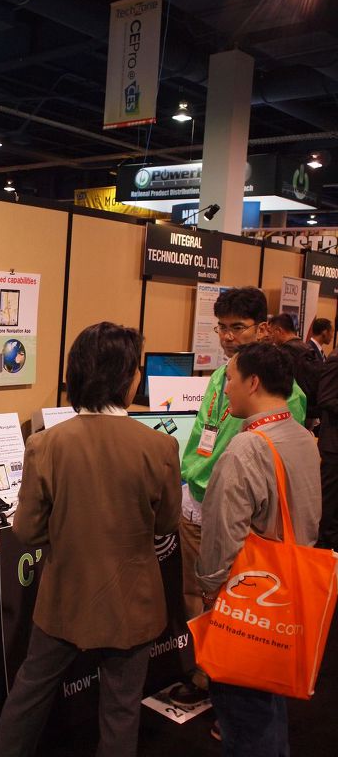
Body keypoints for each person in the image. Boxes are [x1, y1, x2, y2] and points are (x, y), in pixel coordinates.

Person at [0, 322, 181, 757]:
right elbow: (166, 524)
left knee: (29, 694)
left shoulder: (46, 444)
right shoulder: (160, 447)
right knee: (121, 711)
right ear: (124, 376)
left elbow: (27, 531)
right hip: (133, 604)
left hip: (64, 598)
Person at [173, 288, 306, 709]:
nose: (227, 336)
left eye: (237, 327)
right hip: (196, 500)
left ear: (262, 328)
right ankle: (205, 672)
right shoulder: (219, 376)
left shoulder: (285, 391)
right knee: (194, 593)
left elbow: (276, 461)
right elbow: (202, 432)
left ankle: (233, 686)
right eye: (222, 327)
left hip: (240, 516)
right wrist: (189, 477)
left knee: (239, 605)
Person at [196, 343, 321, 757]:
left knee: (246, 722)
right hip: (289, 597)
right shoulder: (302, 436)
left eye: (230, 379)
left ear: (253, 383)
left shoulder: (246, 449)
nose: (225, 389)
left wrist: (210, 591)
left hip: (248, 603)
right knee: (269, 709)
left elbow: (222, 537)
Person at [269, 313, 322, 426]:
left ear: (278, 331)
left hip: (294, 410)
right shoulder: (308, 348)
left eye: (271, 332)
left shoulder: (283, 352)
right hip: (311, 408)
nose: (270, 337)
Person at [316, 347, 338, 549]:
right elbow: (325, 398)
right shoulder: (335, 360)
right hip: (333, 445)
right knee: (328, 501)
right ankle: (322, 546)